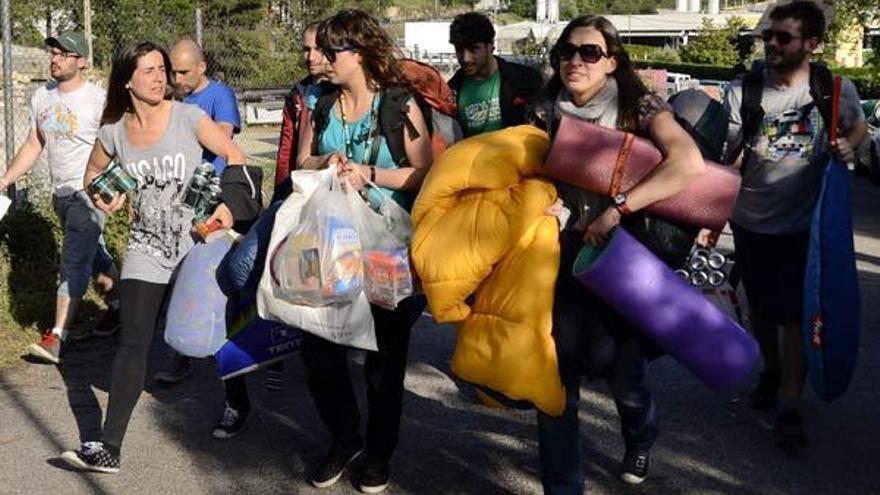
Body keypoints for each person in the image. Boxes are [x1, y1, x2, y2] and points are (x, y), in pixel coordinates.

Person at [59, 40, 251, 473]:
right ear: (127, 79)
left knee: (213, 332)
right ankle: (110, 446)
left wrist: (228, 204)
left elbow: (234, 155)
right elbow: (92, 175)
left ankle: (237, 402)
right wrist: (103, 194)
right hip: (147, 246)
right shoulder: (113, 132)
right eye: (148, 70)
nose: (160, 76)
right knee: (133, 340)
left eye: (162, 68)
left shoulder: (189, 117)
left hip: (198, 243)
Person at [537, 15, 704, 492]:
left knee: (624, 379)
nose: (575, 60)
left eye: (589, 52)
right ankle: (563, 485)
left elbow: (687, 163)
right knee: (556, 381)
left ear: (611, 61)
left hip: (622, 255)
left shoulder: (638, 105)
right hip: (561, 256)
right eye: (566, 51)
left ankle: (641, 436)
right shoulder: (546, 107)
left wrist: (616, 210)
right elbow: (529, 168)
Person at [296, 9, 432, 494]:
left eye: (332, 51)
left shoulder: (399, 105)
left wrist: (371, 174)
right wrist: (329, 161)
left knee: (384, 359)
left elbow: (424, 173)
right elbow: (302, 160)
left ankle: (377, 453)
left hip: (385, 246)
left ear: (360, 52)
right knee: (317, 348)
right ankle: (343, 437)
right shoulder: (323, 103)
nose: (322, 59)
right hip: (331, 242)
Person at [723, 0, 866, 448]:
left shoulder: (834, 88)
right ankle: (771, 371)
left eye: (783, 37)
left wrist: (848, 147)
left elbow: (859, 127)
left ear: (812, 44)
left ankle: (790, 404)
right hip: (749, 220)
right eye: (768, 36)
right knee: (761, 310)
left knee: (792, 315)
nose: (771, 44)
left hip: (805, 225)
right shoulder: (743, 91)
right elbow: (721, 157)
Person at [0, 31, 119, 365]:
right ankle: (122, 306)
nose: (55, 58)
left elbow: (117, 147)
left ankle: (57, 336)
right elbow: (34, 144)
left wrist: (117, 190)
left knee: (73, 261)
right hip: (61, 194)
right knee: (93, 253)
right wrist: (7, 178)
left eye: (65, 54)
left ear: (81, 60)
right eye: (54, 52)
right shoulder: (42, 97)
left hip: (89, 195)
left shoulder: (97, 100)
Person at [151, 38, 242, 386]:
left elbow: (221, 139)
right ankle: (182, 355)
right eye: (171, 70)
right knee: (180, 276)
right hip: (176, 198)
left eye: (183, 71)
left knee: (214, 280)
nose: (176, 77)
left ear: (202, 68)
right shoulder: (175, 98)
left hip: (214, 200)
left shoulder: (220, 95)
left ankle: (232, 359)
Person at [447, 12, 543, 137]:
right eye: (459, 50)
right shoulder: (450, 92)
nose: (466, 58)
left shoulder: (525, 79)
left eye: (473, 49)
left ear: (491, 45)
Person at [273, 21, 327, 204]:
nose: (311, 57)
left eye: (318, 49)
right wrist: (280, 194)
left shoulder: (344, 92)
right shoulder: (297, 94)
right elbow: (286, 150)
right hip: (301, 182)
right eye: (306, 49)